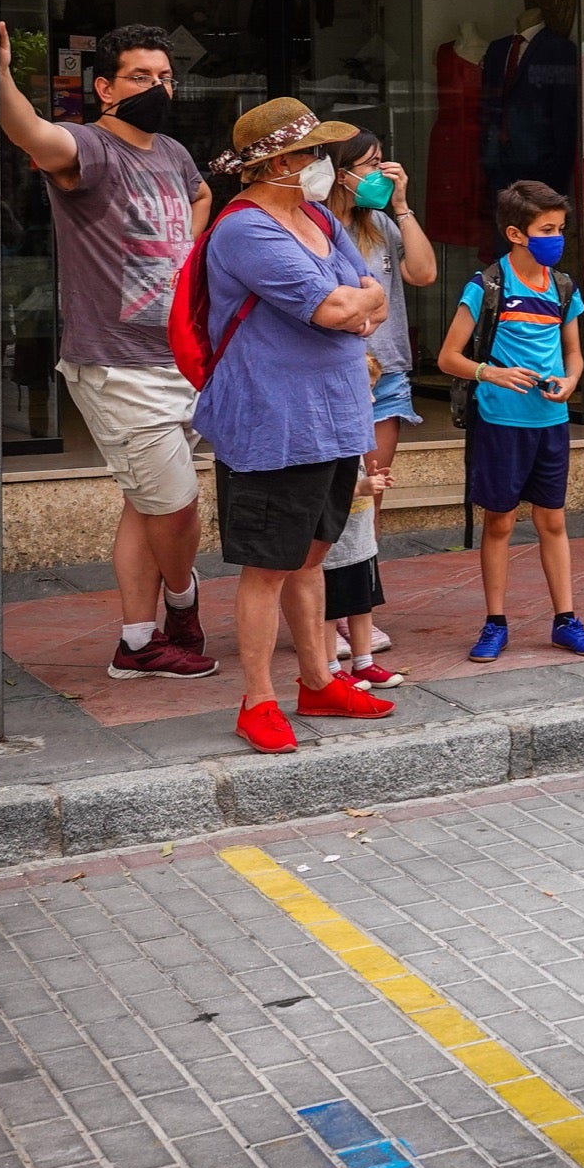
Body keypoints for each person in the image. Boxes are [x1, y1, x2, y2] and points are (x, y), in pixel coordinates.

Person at [0, 14, 216, 680]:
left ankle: (135, 641)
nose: (156, 86)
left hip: (179, 359)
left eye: (164, 76)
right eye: (139, 76)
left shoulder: (174, 155)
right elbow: (32, 136)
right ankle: (182, 605)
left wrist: (186, 255)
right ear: (104, 87)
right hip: (118, 366)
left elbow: (202, 191)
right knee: (176, 507)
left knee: (144, 501)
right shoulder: (90, 148)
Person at [201, 99, 397, 753]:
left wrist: (357, 304)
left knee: (312, 557)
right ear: (282, 162)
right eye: (314, 153)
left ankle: (317, 680)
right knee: (268, 566)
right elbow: (336, 304)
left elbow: (371, 294)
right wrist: (354, 304)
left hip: (336, 416)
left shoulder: (314, 216)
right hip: (271, 421)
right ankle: (257, 699)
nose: (324, 165)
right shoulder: (244, 230)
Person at [437, 180, 584, 663]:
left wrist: (571, 382)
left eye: (560, 228)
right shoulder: (488, 285)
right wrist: (491, 371)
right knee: (500, 522)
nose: (557, 238)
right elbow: (449, 356)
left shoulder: (563, 287)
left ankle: (566, 620)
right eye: (546, 229)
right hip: (499, 423)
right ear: (516, 233)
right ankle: (494, 623)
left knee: (553, 520)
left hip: (550, 422)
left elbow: (573, 356)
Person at [318, 130, 438, 658]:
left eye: (383, 163)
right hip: (332, 377)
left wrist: (404, 206)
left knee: (371, 495)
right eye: (369, 165)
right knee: (336, 495)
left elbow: (424, 273)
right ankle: (324, 607)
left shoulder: (381, 224)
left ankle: (355, 611)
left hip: (384, 376)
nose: (380, 174)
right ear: (340, 171)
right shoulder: (311, 227)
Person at [322, 359, 405, 693]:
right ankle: (329, 667)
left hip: (358, 539)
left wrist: (370, 480)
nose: (372, 401)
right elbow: (324, 488)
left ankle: (364, 662)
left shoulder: (355, 432)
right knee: (326, 608)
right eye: (365, 391)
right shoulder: (326, 435)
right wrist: (360, 488)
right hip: (332, 542)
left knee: (361, 602)